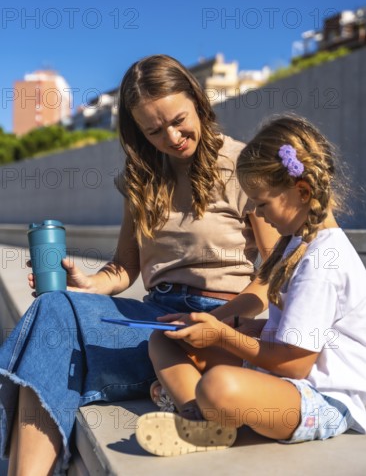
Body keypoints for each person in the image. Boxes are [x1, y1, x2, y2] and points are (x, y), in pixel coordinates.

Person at [0, 54, 279, 475]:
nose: (171, 136)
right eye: (154, 130)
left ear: (198, 100)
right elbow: (123, 268)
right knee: (53, 307)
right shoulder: (141, 178)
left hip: (223, 323)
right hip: (156, 321)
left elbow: (272, 275)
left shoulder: (246, 167)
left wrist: (219, 321)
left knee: (48, 343)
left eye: (178, 119)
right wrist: (90, 285)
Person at [135, 114, 366, 457]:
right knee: (163, 341)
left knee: (219, 385)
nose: (258, 214)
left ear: (301, 192)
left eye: (262, 203)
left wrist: (224, 336)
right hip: (286, 380)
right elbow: (299, 333)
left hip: (323, 398)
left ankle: (205, 409)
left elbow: (295, 365)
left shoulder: (322, 261)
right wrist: (248, 327)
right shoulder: (296, 244)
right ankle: (199, 418)